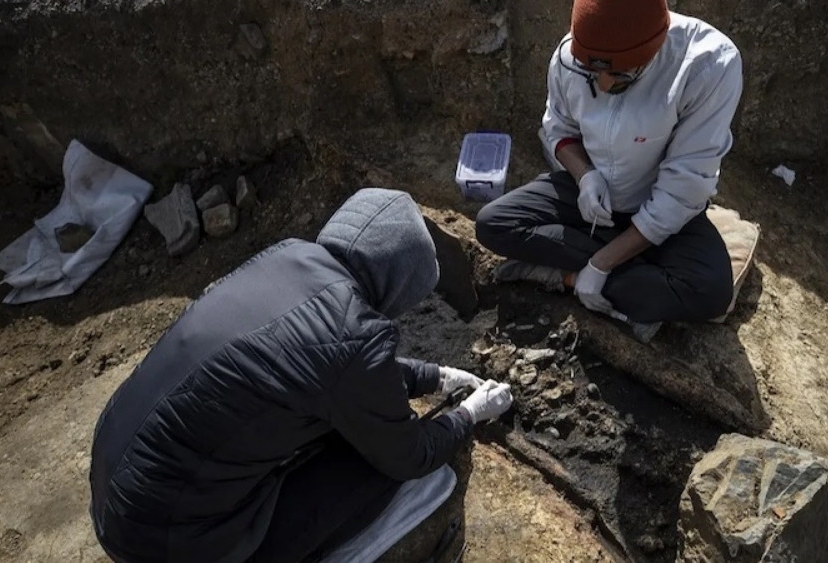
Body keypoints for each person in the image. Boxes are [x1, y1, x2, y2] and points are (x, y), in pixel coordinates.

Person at [89, 188, 513, 563]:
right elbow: (409, 454)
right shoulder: (356, 337)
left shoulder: (285, 257)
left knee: (332, 421)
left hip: (116, 490)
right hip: (172, 544)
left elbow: (323, 364)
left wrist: (432, 376)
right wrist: (466, 417)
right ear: (399, 285)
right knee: (374, 464)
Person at [476, 0, 742, 340]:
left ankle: (568, 276)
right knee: (493, 224)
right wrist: (585, 175)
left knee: (711, 294)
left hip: (660, 205)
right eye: (591, 72)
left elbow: (683, 188)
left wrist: (601, 264)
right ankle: (633, 285)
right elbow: (559, 127)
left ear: (653, 51)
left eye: (620, 76)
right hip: (592, 195)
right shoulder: (568, 56)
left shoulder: (708, 66)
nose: (602, 85)